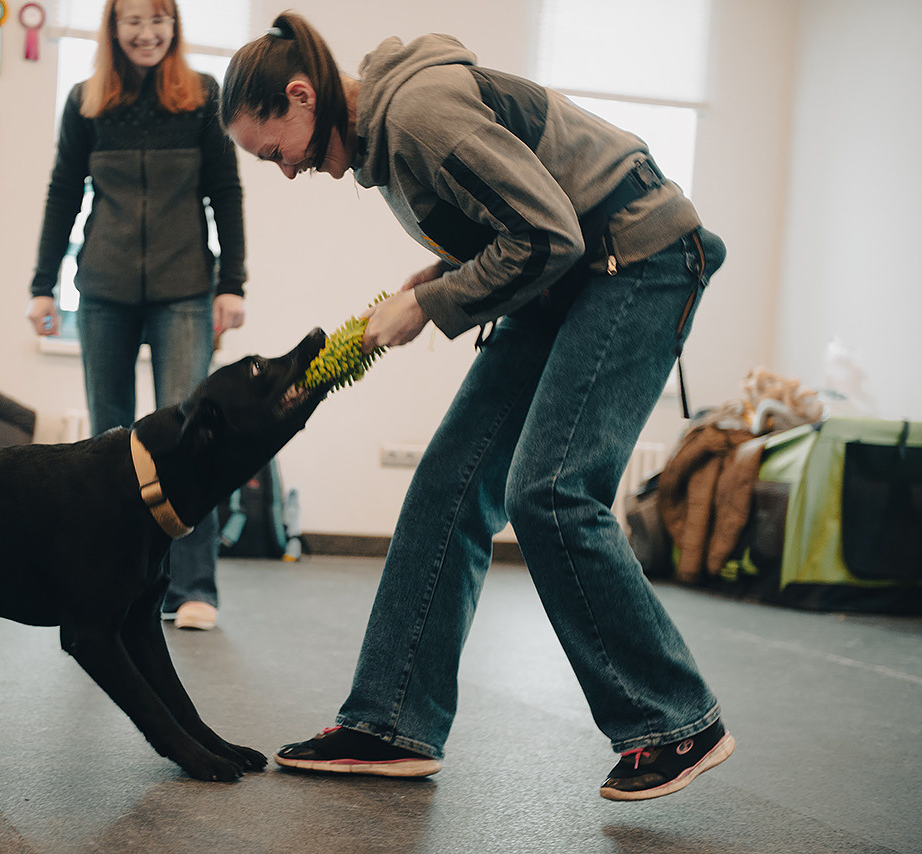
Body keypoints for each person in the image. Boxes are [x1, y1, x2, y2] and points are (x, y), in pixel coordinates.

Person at [221, 12, 732, 800]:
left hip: (640, 257)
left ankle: (675, 721)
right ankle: (392, 722)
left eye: (272, 150)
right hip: (569, 276)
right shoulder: (387, 140)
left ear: (300, 96)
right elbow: (513, 224)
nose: (283, 169)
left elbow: (547, 233)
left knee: (552, 491)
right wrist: (430, 280)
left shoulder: (420, 116)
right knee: (447, 488)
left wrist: (426, 310)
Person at [26, 0, 247, 631]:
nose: (147, 33)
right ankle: (110, 584)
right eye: (133, 21)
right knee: (111, 441)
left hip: (185, 290)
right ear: (114, 29)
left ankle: (193, 586)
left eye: (158, 20)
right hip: (103, 291)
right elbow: (62, 194)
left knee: (192, 438)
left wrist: (231, 282)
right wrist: (42, 286)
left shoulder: (203, 96)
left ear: (173, 26)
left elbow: (225, 192)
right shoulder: (85, 102)